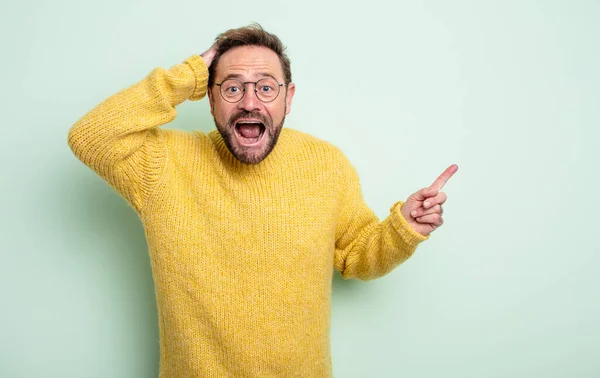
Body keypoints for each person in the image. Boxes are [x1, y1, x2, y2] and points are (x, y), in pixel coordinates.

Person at [68, 23, 457, 378]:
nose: (250, 103)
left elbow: (358, 256)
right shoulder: (163, 165)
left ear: (288, 99)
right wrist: (188, 73)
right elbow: (91, 135)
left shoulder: (325, 165)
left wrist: (404, 228)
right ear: (209, 98)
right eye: (233, 87)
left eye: (266, 87)